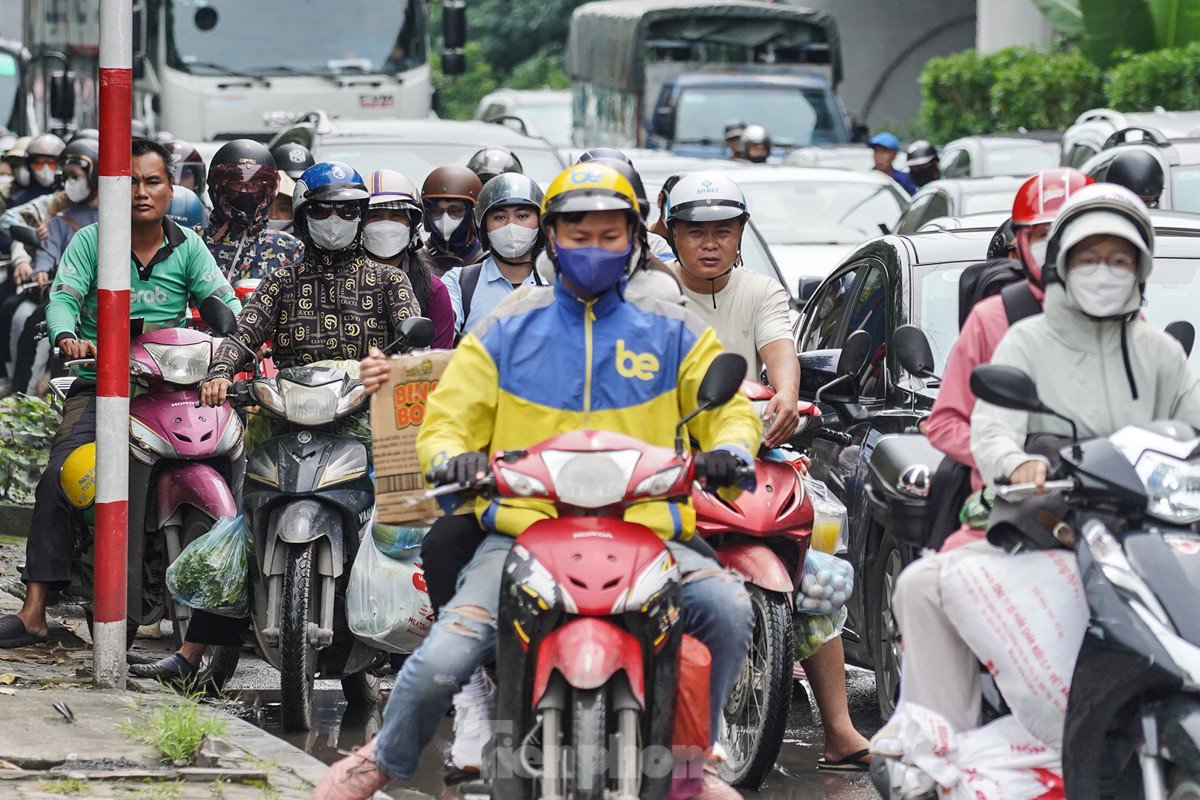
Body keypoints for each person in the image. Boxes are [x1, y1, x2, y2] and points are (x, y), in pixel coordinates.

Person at [316, 163, 760, 800]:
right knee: (444, 658)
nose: (594, 249)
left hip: (651, 531)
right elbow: (447, 420)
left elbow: (731, 410)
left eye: (611, 235)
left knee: (727, 608)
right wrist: (451, 458)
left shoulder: (671, 328)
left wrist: (732, 451)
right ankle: (382, 761)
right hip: (522, 535)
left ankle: (694, 763)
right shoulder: (507, 328)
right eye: (579, 233)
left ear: (635, 238)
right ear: (553, 236)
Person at [889, 184, 1200, 744]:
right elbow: (987, 424)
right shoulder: (1019, 338)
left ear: (1140, 269)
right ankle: (942, 752)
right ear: (1057, 261)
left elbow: (1192, 426)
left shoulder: (1159, 353)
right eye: (1087, 259)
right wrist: (1015, 464)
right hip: (1035, 518)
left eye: (1118, 260)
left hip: (1142, 530)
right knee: (924, 587)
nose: (1103, 273)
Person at [131, 161, 418, 680]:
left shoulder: (388, 281)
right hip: (285, 418)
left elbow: (412, 336)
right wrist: (220, 371)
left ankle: (409, 656)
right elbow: (244, 334)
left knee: (400, 532)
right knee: (242, 529)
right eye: (324, 211)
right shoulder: (283, 280)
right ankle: (193, 652)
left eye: (347, 212)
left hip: (367, 422)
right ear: (306, 218)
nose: (335, 221)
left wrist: (403, 365)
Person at [665, 171, 874, 770]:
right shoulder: (652, 291)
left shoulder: (761, 291)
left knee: (815, 579)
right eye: (696, 231)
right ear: (671, 234)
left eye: (723, 231)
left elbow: (780, 348)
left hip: (752, 452)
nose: (710, 243)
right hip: (667, 454)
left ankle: (838, 728)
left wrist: (787, 396)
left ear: (740, 235)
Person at [0, 139, 241, 649]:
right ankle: (36, 609)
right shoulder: (92, 242)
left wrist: (229, 328)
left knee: (234, 455)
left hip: (171, 385)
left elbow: (217, 296)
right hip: (102, 383)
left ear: (171, 189)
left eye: (152, 181)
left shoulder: (188, 246)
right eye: (129, 182)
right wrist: (68, 335)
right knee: (57, 476)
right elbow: (63, 296)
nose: (141, 192)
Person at [924, 168, 1092, 548]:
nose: (1058, 247)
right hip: (1006, 512)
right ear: (1019, 242)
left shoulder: (1131, 325)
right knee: (927, 586)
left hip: (1106, 506)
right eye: (1043, 235)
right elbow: (945, 422)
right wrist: (1013, 461)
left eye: (1071, 233)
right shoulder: (992, 319)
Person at [442, 172, 545, 336]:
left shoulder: (560, 282)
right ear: (483, 227)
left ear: (540, 222)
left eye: (522, 216)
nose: (511, 225)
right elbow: (443, 333)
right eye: (499, 217)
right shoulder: (460, 283)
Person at [362, 169, 455, 349]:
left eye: (396, 216)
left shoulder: (433, 291)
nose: (385, 226)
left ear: (412, 225)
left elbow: (438, 364)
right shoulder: (337, 280)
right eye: (375, 216)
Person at [198, 139, 304, 284]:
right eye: (237, 183)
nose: (245, 192)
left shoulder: (288, 248)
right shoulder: (193, 242)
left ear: (267, 190)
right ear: (218, 187)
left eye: (253, 185)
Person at [420, 166, 484, 276]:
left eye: (455, 211)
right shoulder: (417, 260)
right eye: (436, 211)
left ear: (472, 214)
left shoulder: (489, 261)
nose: (445, 219)